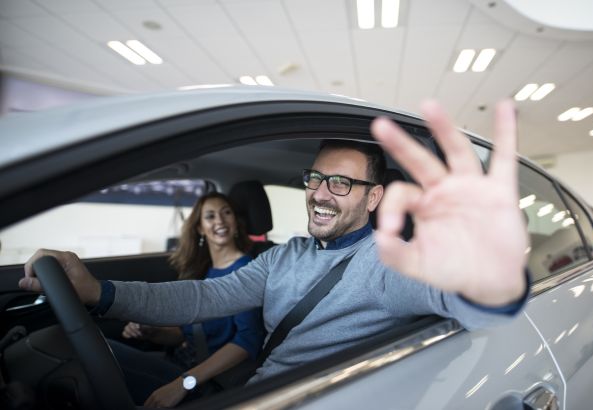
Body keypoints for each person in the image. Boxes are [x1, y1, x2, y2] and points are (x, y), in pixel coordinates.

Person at [20, 100, 529, 386]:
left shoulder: (386, 263)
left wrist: (493, 272)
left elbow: (468, 301)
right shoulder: (286, 255)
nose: (320, 194)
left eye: (341, 183)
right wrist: (99, 292)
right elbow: (203, 297)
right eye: (315, 178)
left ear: (373, 197)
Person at [109, 192, 265, 407]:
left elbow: (248, 341)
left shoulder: (246, 270)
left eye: (226, 213)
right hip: (183, 363)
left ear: (236, 222)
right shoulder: (207, 270)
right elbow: (188, 334)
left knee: (103, 355)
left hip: (204, 381)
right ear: (200, 228)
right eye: (210, 216)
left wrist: (184, 383)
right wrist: (151, 331)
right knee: (105, 352)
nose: (220, 220)